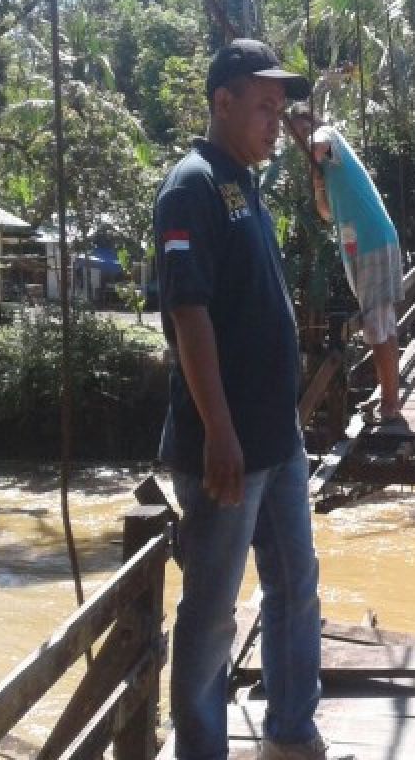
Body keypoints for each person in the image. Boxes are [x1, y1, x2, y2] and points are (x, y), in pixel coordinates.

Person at [153, 38, 328, 760]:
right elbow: (188, 313)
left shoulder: (244, 183)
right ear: (221, 103)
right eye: (263, 105)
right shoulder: (189, 187)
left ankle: (289, 731)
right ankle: (202, 750)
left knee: (295, 585)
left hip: (277, 440)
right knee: (212, 612)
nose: (273, 121)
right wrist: (217, 432)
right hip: (227, 447)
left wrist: (309, 146)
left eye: (280, 108)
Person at [292, 108, 405, 424]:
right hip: (361, 247)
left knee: (375, 322)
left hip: (372, 242)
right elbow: (326, 212)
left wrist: (310, 141)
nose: (300, 140)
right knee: (381, 321)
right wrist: (316, 179)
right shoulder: (327, 167)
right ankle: (390, 398)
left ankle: (389, 404)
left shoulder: (331, 140)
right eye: (296, 136)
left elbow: (320, 138)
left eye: (303, 131)